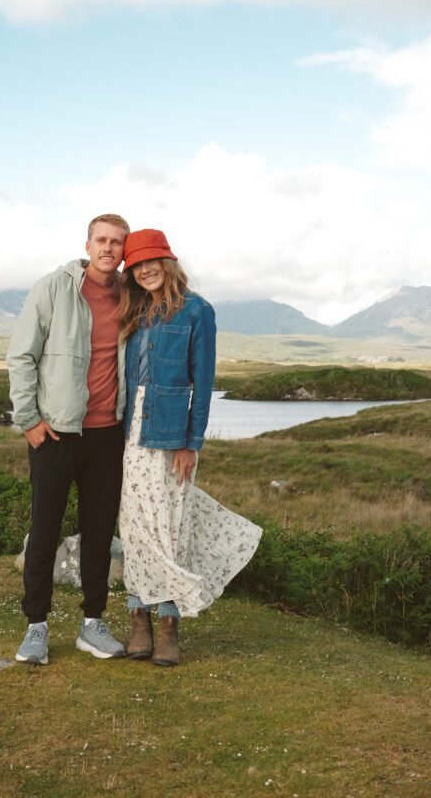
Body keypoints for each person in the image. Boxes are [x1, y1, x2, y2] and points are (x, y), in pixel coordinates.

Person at [117, 229, 262, 666]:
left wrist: (190, 444)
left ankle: (167, 625)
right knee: (136, 526)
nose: (145, 270)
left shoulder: (197, 311)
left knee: (171, 524)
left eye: (151, 261)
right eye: (137, 265)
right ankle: (137, 619)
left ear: (168, 262)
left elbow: (203, 382)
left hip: (171, 434)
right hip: (130, 434)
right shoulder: (135, 311)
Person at [7, 214, 130, 665]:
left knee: (99, 534)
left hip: (107, 436)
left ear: (124, 249)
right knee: (44, 533)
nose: (108, 248)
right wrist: (29, 421)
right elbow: (21, 355)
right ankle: (36, 627)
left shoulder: (129, 294)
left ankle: (92, 624)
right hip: (56, 435)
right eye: (102, 240)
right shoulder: (55, 287)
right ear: (88, 243)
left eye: (117, 242)